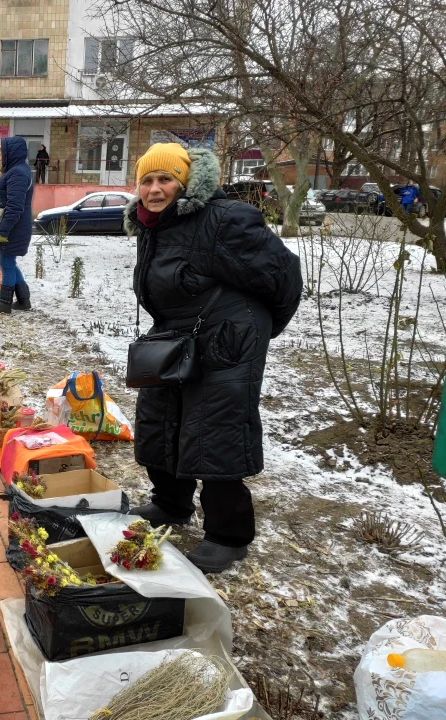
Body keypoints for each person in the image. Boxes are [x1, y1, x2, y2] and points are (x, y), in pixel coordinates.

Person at [125, 142, 302, 573]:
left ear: (186, 182)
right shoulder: (154, 225)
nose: (154, 188)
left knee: (213, 429)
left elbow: (284, 276)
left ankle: (228, 535)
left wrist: (253, 332)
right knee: (160, 415)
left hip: (227, 336)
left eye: (165, 179)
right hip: (178, 331)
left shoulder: (223, 218)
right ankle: (171, 504)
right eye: (147, 180)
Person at [0, 136, 34, 313]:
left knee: (6, 261)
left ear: (11, 153)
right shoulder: (18, 171)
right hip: (15, 226)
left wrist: (4, 230)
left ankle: (5, 302)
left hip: (14, 227)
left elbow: (15, 206)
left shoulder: (18, 173)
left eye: (3, 153)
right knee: (10, 261)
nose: (1, 156)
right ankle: (24, 300)